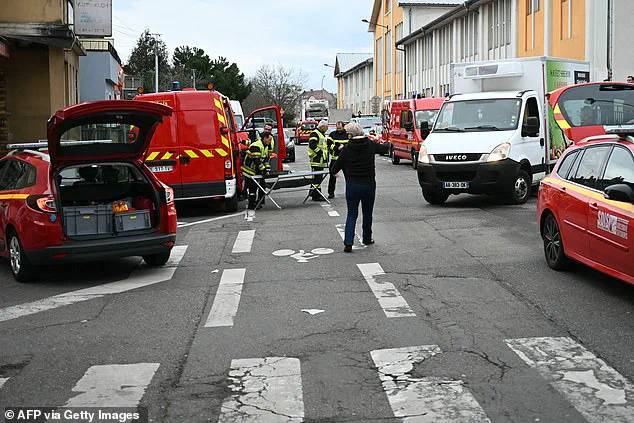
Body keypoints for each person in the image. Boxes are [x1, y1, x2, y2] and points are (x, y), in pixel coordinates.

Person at [331, 122, 389, 252]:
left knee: (352, 214)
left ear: (350, 134)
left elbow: (336, 166)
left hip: (352, 185)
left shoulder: (347, 148)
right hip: (368, 184)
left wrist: (335, 172)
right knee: (367, 213)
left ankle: (348, 242)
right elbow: (385, 148)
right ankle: (367, 238)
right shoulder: (369, 144)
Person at [242, 131, 274, 210]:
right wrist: (263, 169)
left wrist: (267, 168)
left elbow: (265, 159)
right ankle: (251, 204)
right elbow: (256, 160)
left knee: (262, 185)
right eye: (269, 140)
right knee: (253, 188)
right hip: (250, 170)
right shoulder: (256, 146)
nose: (270, 142)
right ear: (264, 138)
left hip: (257, 169)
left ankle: (259, 202)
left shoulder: (265, 146)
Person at [307, 120, 330, 201]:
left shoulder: (320, 133)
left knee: (318, 178)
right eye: (326, 127)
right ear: (322, 127)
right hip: (316, 160)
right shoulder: (315, 133)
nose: (327, 129)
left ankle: (313, 193)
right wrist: (320, 153)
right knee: (317, 178)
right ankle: (317, 195)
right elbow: (312, 144)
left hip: (320, 161)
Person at [327, 121, 348, 199]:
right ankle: (331, 193)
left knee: (348, 176)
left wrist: (344, 147)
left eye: (340, 128)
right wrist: (337, 148)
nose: (338, 129)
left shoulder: (348, 134)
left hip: (346, 159)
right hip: (335, 159)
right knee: (332, 176)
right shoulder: (332, 134)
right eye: (337, 128)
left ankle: (349, 192)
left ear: (343, 127)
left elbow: (351, 144)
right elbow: (329, 144)